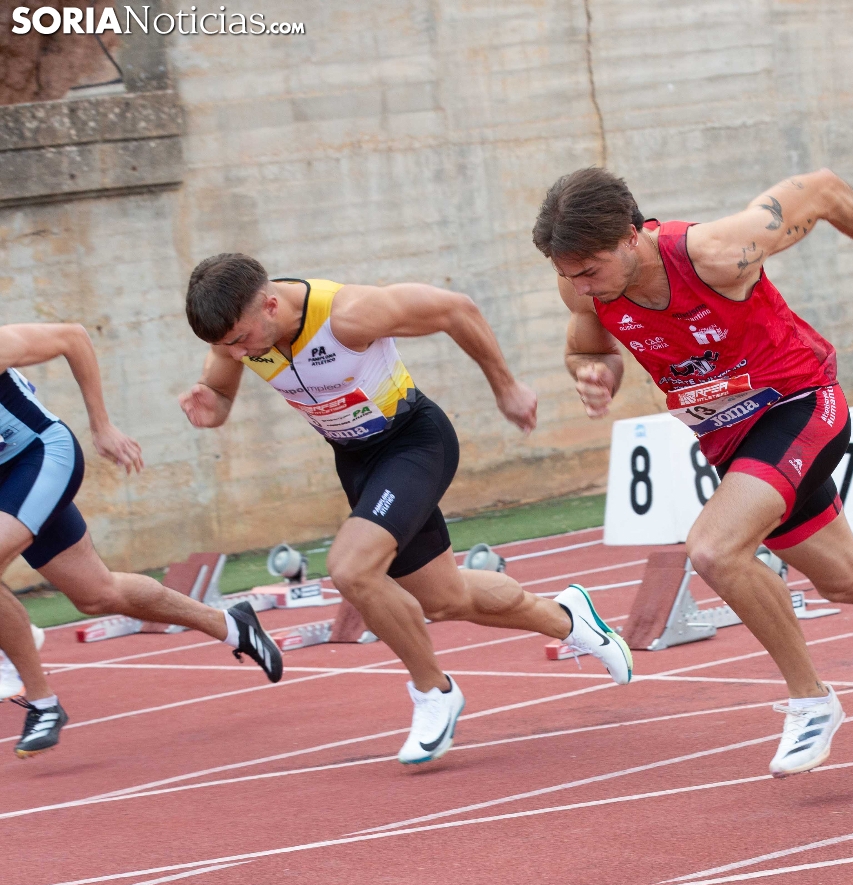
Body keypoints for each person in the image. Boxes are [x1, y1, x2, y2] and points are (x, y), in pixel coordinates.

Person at [533, 167, 853, 778]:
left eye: (590, 271)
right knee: (846, 578)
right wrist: (594, 374)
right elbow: (588, 346)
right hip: (729, 436)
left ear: (632, 236)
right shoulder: (582, 289)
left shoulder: (715, 253)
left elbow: (823, 189)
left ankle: (811, 699)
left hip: (800, 405)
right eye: (568, 275)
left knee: (714, 549)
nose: (581, 286)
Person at [181, 257, 631, 765]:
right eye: (227, 346)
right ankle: (570, 618)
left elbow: (456, 310)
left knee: (351, 568)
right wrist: (211, 405)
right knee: (444, 598)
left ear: (269, 305)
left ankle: (434, 691)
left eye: (241, 340)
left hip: (413, 445)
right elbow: (220, 392)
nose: (238, 353)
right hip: (358, 463)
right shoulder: (236, 336)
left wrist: (505, 386)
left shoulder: (348, 314)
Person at [0, 322, 282, 758]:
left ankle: (42, 703)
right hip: (7, 486)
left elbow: (74, 337)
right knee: (97, 594)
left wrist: (102, 426)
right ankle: (231, 625)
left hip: (41, 457)